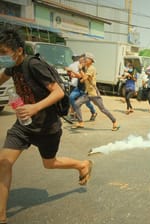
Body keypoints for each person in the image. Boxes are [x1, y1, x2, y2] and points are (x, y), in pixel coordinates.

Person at [0, 29, 93, 223]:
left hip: (46, 127)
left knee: (49, 163)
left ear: (17, 50)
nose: (1, 56)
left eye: (3, 51)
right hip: (23, 126)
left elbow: (58, 92)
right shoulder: (13, 68)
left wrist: (35, 107)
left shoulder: (32, 64)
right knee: (3, 164)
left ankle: (82, 164)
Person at [71, 52, 119, 131]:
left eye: (87, 58)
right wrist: (81, 73)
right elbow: (83, 79)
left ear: (91, 60)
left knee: (102, 109)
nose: (85, 60)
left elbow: (85, 78)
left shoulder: (92, 68)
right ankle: (80, 122)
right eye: (85, 58)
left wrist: (80, 70)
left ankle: (115, 122)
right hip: (87, 93)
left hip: (94, 94)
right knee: (76, 104)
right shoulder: (87, 68)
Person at [66, 54, 97, 121]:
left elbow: (81, 76)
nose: (80, 62)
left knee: (87, 104)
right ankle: (75, 113)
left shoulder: (87, 68)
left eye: (82, 61)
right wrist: (71, 75)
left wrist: (72, 71)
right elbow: (78, 76)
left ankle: (93, 112)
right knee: (71, 97)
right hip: (79, 87)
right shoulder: (80, 67)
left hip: (85, 89)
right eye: (79, 61)